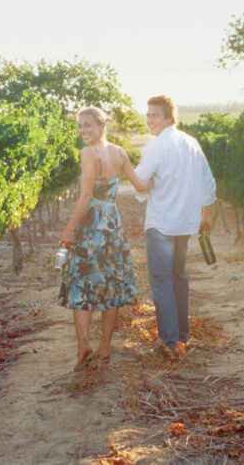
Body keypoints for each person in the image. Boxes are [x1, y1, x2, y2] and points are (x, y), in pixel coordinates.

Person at [59, 106, 152, 369]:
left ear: (101, 126)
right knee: (111, 283)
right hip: (112, 223)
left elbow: (86, 196)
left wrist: (69, 229)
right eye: (79, 126)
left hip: (91, 225)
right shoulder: (120, 152)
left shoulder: (89, 153)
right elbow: (142, 185)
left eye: (87, 125)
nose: (83, 131)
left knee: (82, 283)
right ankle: (105, 348)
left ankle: (84, 345)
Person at [134, 95, 216, 357]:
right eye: (147, 115)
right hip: (184, 224)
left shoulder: (156, 146)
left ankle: (170, 343)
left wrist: (123, 165)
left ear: (170, 117)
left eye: (155, 116)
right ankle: (181, 336)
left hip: (160, 225)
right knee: (179, 278)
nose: (149, 120)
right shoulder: (191, 143)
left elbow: (140, 183)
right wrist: (207, 214)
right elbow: (208, 183)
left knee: (162, 283)